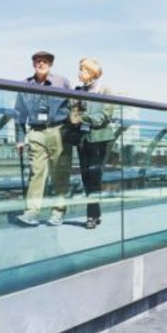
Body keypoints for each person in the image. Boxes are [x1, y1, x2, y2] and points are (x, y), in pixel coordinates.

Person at [13, 50, 73, 226]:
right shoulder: (24, 84)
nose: (41, 63)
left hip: (58, 130)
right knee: (36, 173)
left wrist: (70, 131)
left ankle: (58, 212)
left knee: (60, 174)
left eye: (45, 61)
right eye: (38, 61)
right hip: (36, 132)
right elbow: (19, 113)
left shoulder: (62, 82)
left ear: (51, 64)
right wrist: (20, 138)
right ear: (33, 64)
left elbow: (73, 105)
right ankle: (31, 213)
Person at [70, 57, 116, 229]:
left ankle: (91, 216)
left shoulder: (105, 90)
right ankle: (95, 213)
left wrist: (82, 118)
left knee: (94, 177)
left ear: (91, 72)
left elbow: (104, 117)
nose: (79, 73)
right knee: (85, 177)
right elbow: (72, 112)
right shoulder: (78, 90)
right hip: (83, 139)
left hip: (101, 139)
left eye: (82, 69)